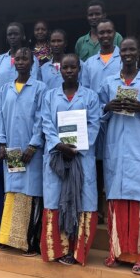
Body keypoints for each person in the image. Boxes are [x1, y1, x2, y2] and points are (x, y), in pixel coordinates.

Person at [99, 37, 140, 275]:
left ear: (139, 52)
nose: (128, 53)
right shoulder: (109, 83)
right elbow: (98, 110)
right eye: (124, 50)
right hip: (116, 147)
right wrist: (108, 107)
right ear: (120, 53)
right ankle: (116, 252)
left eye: (132, 49)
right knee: (117, 200)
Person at [41, 54, 101, 266]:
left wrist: (77, 147)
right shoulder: (49, 96)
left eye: (72, 67)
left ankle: (78, 252)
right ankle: (58, 250)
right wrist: (59, 145)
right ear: (60, 70)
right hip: (57, 156)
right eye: (65, 67)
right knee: (55, 197)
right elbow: (46, 123)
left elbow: (94, 124)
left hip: (81, 157)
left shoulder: (91, 97)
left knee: (83, 199)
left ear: (79, 69)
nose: (68, 71)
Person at [0, 47, 46, 255]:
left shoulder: (40, 88)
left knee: (30, 193)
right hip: (12, 150)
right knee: (13, 191)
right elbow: (0, 116)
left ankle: (29, 242)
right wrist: (1, 142)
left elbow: (41, 118)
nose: (22, 61)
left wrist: (33, 145)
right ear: (14, 62)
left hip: (30, 152)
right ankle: (9, 238)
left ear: (33, 63)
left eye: (26, 58)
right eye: (18, 58)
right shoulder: (5, 88)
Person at [80, 19, 122, 222]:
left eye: (109, 32)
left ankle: (112, 209)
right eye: (101, 33)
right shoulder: (89, 64)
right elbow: (85, 92)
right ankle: (96, 207)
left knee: (114, 163)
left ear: (114, 33)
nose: (105, 36)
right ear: (96, 35)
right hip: (94, 120)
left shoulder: (123, 59)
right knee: (95, 164)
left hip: (118, 121)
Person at [0, 22, 39, 89]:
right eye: (10, 34)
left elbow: (34, 81)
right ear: (6, 38)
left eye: (16, 34)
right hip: (2, 99)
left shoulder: (32, 59)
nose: (12, 37)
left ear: (23, 36)